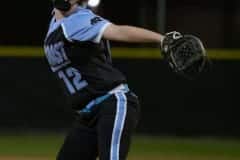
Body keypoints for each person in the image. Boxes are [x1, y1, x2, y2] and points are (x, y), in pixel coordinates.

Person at [44, 0, 165, 159]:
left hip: (111, 103)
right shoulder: (55, 23)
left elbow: (119, 31)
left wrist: (162, 39)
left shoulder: (78, 19)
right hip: (88, 113)